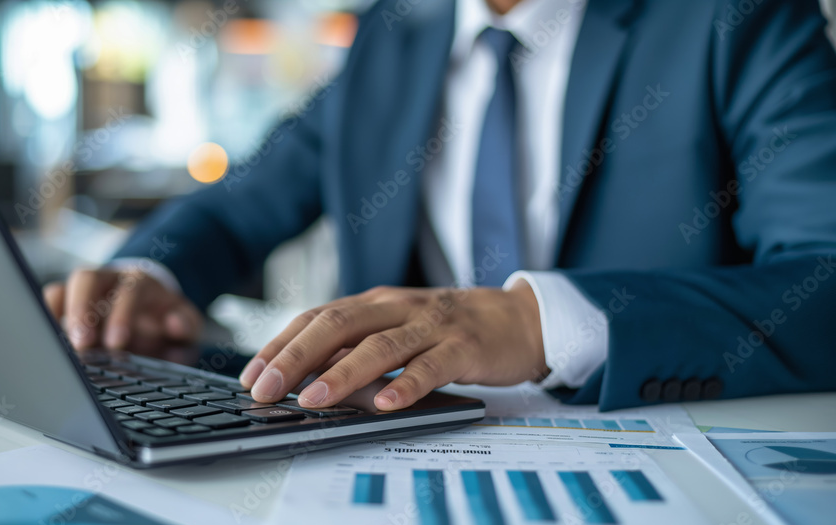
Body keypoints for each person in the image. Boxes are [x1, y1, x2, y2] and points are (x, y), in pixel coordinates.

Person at [44, 0, 836, 412]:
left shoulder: (737, 17)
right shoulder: (392, 33)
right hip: (399, 458)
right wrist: (148, 274)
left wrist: (537, 323)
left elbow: (823, 277)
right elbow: (241, 204)